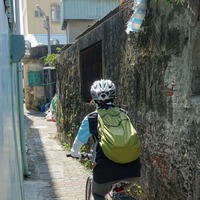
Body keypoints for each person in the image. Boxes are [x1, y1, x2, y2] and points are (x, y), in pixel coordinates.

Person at [70, 79, 141, 200]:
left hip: (105, 172)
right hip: (133, 170)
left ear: (94, 99)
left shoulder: (91, 118)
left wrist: (75, 154)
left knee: (98, 193)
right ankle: (119, 193)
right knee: (121, 188)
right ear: (114, 96)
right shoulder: (124, 114)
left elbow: (77, 144)